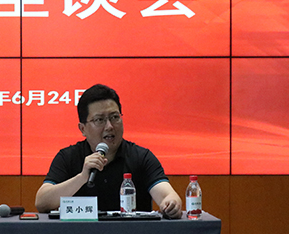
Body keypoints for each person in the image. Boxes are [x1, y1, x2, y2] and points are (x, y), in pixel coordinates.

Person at [34, 84, 182, 218]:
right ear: (82, 129)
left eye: (115, 117)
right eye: (100, 120)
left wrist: (171, 203)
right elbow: (42, 202)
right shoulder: (67, 157)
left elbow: (167, 195)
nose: (110, 126)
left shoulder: (141, 157)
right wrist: (82, 177)